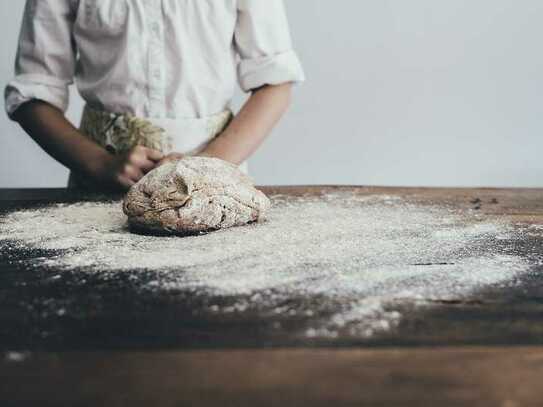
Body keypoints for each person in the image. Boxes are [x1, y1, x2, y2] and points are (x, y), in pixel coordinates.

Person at [5, 0, 305, 190]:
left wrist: (206, 167)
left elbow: (275, 83)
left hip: (216, 180)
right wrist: (99, 164)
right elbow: (32, 94)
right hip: (100, 185)